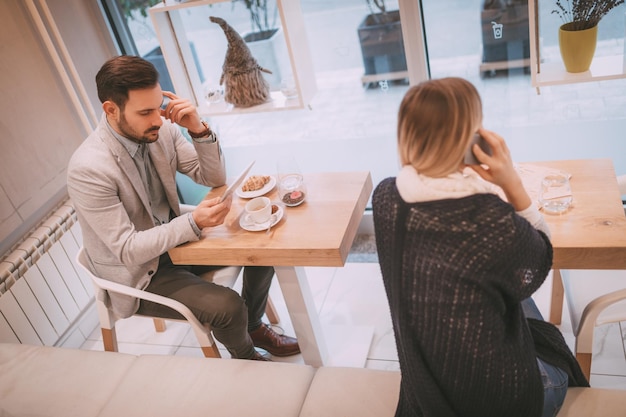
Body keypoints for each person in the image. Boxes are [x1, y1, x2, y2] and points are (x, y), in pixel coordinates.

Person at [372, 77, 588, 417]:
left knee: (507, 280)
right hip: (504, 400)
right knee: (526, 297)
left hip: (426, 386)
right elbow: (542, 255)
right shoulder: (487, 221)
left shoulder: (386, 197)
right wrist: (509, 182)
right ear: (469, 139)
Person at [67, 55, 299, 361]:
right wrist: (194, 224)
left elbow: (212, 177)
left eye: (158, 105)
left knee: (264, 242)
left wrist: (199, 129)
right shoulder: (89, 169)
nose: (157, 118)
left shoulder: (160, 131)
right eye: (145, 111)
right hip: (141, 272)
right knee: (227, 307)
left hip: (178, 245)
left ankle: (254, 325)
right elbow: (128, 249)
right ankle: (247, 359)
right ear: (111, 109)